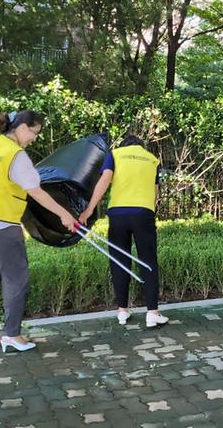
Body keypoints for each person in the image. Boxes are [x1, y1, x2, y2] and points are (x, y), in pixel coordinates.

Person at [0, 110, 77, 353]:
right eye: (34, 132)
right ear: (22, 127)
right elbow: (36, 191)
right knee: (17, 279)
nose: (34, 138)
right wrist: (64, 214)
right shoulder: (16, 155)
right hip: (1, 224)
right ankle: (12, 335)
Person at [77, 135, 168, 328]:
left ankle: (122, 311)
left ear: (124, 145)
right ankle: (152, 312)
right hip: (143, 213)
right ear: (141, 147)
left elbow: (104, 180)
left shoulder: (115, 154)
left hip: (118, 214)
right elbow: (154, 192)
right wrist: (149, 212)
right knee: (148, 260)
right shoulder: (152, 160)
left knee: (119, 259)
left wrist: (89, 209)